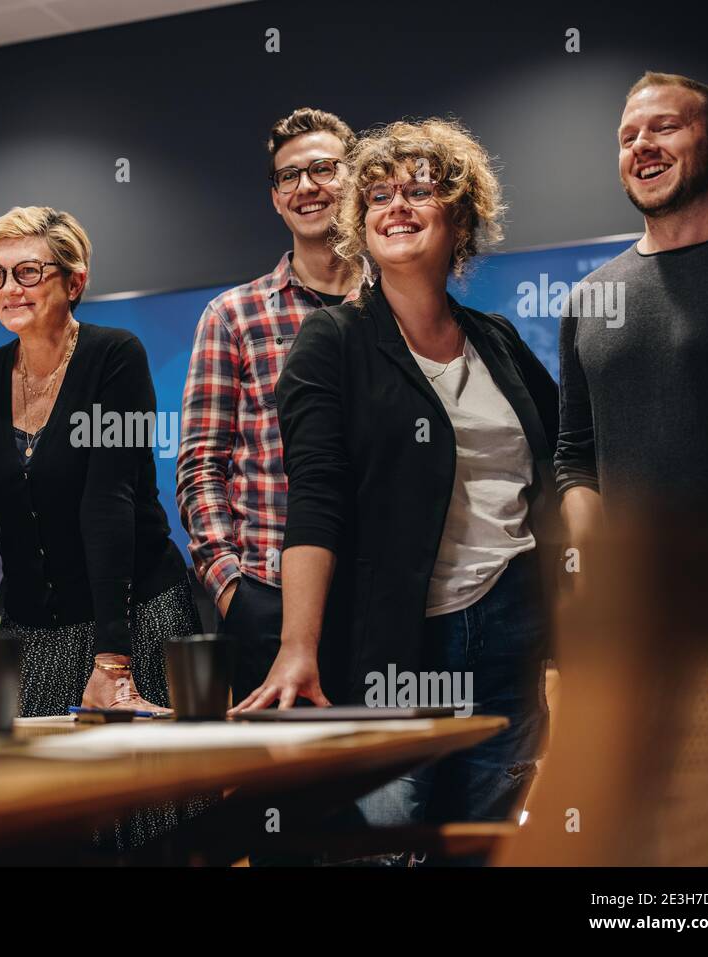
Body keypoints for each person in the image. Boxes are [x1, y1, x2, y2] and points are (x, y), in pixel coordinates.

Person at [236, 120, 559, 835]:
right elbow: (315, 500)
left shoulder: (499, 340)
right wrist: (298, 647)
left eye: (420, 190)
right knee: (388, 841)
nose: (396, 206)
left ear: (462, 215)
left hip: (512, 629)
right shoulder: (332, 342)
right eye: (378, 195)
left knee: (485, 839)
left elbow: (557, 468)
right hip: (392, 644)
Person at [0, 206, 200, 720]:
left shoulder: (115, 357)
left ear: (75, 282)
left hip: (133, 621)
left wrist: (111, 663)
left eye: (28, 272)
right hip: (34, 632)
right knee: (43, 793)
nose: (9, 288)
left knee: (148, 796)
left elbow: (109, 499)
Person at [177, 107, 364, 705]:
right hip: (269, 596)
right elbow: (201, 466)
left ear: (356, 179)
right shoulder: (233, 316)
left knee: (394, 789)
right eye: (289, 177)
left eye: (323, 169)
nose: (306, 187)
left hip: (383, 595)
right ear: (276, 199)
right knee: (282, 790)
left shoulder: (396, 308)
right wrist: (233, 587)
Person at [556, 72, 708, 561]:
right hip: (633, 613)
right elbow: (576, 456)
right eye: (628, 137)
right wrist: (594, 574)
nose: (642, 146)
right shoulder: (590, 297)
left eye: (665, 127)